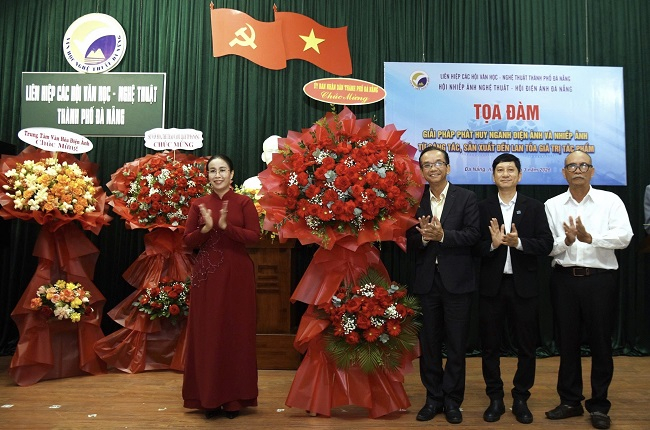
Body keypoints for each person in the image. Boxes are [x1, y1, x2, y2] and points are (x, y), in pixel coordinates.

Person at [544, 150, 633, 430]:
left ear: (592, 171)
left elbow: (625, 237)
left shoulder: (610, 201)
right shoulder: (552, 205)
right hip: (564, 280)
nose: (578, 170)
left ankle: (599, 405)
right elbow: (547, 246)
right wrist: (568, 241)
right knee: (567, 342)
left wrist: (590, 237)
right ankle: (570, 401)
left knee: (601, 343)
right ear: (564, 173)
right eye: (572, 166)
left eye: (583, 165)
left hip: (600, 280)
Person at [476, 153, 553, 424]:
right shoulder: (482, 207)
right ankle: (495, 398)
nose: (505, 174)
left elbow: (546, 244)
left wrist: (519, 243)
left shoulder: (535, 207)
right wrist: (493, 244)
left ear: (520, 175)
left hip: (524, 287)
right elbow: (472, 248)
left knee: (526, 347)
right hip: (492, 288)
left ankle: (521, 397)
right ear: (493, 176)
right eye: (500, 170)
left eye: (511, 170)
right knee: (489, 347)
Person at [182, 154, 260, 419]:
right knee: (208, 333)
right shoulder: (199, 204)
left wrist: (227, 227)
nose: (217, 175)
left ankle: (234, 399)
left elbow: (254, 237)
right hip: (207, 276)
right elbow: (187, 241)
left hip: (238, 274)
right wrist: (206, 229)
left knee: (236, 332)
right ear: (207, 175)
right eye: (213, 170)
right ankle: (209, 398)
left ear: (232, 174)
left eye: (222, 170)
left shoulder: (244, 202)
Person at [406, 146, 480, 424]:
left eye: (438, 163)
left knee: (457, 345)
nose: (433, 168)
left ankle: (452, 401)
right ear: (422, 171)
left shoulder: (466, 198)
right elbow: (409, 241)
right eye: (427, 165)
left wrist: (443, 235)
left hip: (457, 283)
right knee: (429, 345)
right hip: (427, 283)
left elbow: (473, 235)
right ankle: (433, 398)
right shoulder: (415, 200)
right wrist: (425, 238)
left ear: (448, 167)